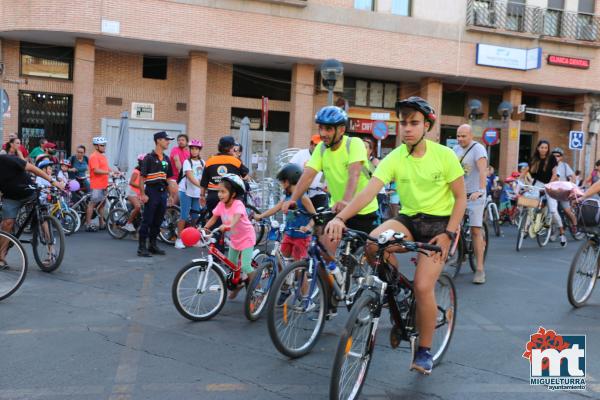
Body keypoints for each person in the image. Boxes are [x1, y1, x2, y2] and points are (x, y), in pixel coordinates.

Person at [325, 96, 466, 375]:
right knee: (373, 243)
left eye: (414, 123)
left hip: (440, 226)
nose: (407, 128)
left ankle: (424, 350)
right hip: (409, 219)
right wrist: (340, 217)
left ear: (427, 125)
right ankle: (397, 291)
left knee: (424, 288)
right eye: (403, 123)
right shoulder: (395, 156)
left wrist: (450, 233)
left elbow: (460, 198)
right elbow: (369, 191)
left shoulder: (445, 156)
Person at [0, 155, 64, 265]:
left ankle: (51, 251)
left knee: (42, 217)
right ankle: (1, 257)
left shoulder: (7, 159)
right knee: (7, 223)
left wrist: (53, 182)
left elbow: (33, 168)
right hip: (10, 197)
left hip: (29, 191)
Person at [203, 174, 256, 299]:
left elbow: (236, 218)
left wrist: (229, 225)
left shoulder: (238, 204)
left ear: (232, 194)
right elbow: (214, 217)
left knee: (245, 265)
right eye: (218, 191)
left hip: (247, 237)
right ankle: (238, 285)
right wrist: (204, 228)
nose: (220, 194)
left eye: (223, 192)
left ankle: (255, 287)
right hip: (235, 239)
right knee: (232, 265)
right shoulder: (221, 205)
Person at [254, 164, 316, 261]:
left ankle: (300, 275)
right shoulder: (287, 197)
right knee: (280, 257)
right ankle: (284, 276)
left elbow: (314, 216)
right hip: (288, 234)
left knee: (298, 267)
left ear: (287, 182)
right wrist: (261, 216)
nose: (281, 185)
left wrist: (307, 227)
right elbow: (275, 208)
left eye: (282, 182)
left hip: (301, 237)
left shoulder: (303, 198)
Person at [453, 124, 488, 284]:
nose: (460, 139)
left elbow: (483, 171)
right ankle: (458, 255)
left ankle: (480, 269)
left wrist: (480, 190)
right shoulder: (455, 149)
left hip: (475, 194)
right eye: (458, 136)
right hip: (460, 194)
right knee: (453, 226)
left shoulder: (478, 149)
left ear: (471, 135)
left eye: (463, 136)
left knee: (475, 230)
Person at [137, 131, 174, 257]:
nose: (168, 142)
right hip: (151, 192)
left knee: (158, 221)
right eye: (166, 139)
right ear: (158, 140)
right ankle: (142, 247)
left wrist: (171, 196)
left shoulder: (167, 159)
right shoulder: (149, 158)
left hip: (162, 193)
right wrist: (143, 194)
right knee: (147, 220)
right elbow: (142, 178)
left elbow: (168, 179)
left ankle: (152, 245)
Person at [200, 136, 248, 219]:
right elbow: (245, 174)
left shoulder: (210, 161)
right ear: (231, 148)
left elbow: (204, 182)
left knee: (214, 222)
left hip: (213, 196)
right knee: (230, 224)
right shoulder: (235, 161)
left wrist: (202, 196)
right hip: (230, 197)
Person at [530, 140, 566, 247]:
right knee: (531, 203)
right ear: (537, 148)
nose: (544, 149)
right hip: (538, 184)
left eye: (546, 147)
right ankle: (528, 225)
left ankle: (562, 233)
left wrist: (549, 184)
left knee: (554, 211)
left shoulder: (551, 158)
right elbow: (530, 173)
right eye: (542, 147)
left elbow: (555, 174)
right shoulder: (534, 158)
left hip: (550, 184)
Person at [174, 140, 205, 249]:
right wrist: (201, 186)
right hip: (186, 192)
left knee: (195, 216)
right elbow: (190, 177)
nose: (194, 150)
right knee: (184, 215)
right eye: (192, 148)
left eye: (196, 149)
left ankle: (193, 239)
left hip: (196, 193)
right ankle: (178, 239)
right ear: (190, 150)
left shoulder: (202, 162)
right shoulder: (187, 162)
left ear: (199, 150)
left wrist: (204, 191)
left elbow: (205, 177)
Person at [86, 137, 117, 232]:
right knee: (92, 204)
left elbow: (106, 168)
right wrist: (109, 173)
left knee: (102, 204)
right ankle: (88, 224)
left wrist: (116, 172)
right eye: (102, 145)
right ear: (96, 146)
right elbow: (96, 170)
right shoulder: (93, 156)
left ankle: (101, 223)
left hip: (104, 184)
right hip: (96, 184)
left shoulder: (103, 156)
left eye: (104, 145)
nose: (104, 147)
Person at [289, 134, 328, 210]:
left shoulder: (325, 155)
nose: (318, 148)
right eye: (316, 145)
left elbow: (325, 172)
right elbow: (291, 169)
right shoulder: (301, 154)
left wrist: (321, 183)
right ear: (311, 144)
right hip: (303, 193)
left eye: (321, 145)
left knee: (321, 218)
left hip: (319, 193)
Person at [552, 147, 578, 234]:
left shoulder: (564, 166)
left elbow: (573, 176)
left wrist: (570, 186)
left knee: (567, 210)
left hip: (563, 192)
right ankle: (548, 228)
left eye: (558, 156)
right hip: (552, 191)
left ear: (561, 157)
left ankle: (575, 224)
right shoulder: (549, 165)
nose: (556, 157)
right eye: (554, 155)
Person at [122, 154, 146, 233]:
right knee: (138, 207)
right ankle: (128, 224)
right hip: (132, 193)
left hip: (139, 193)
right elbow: (131, 182)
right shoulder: (136, 171)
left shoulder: (145, 172)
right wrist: (141, 186)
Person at [169, 134, 190, 206]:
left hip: (184, 178)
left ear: (187, 142)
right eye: (179, 140)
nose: (180, 142)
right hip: (174, 178)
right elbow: (177, 161)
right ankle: (168, 214)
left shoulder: (188, 152)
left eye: (182, 140)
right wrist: (182, 174)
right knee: (176, 198)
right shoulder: (175, 149)